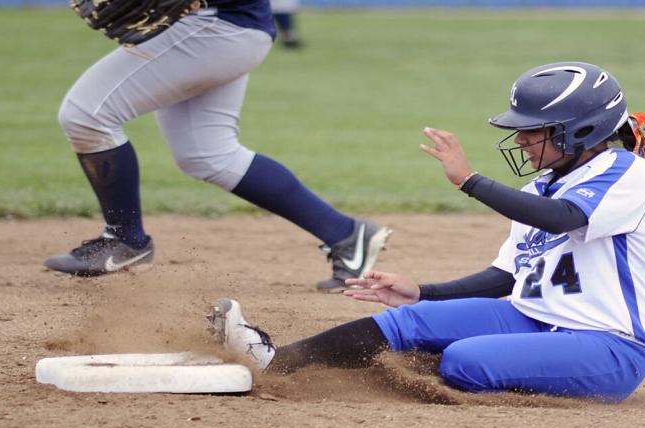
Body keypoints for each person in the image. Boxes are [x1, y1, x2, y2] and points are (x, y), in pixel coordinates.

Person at [210, 61, 645, 404]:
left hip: (610, 347)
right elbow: (507, 276)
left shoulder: (626, 173)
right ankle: (275, 362)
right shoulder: (540, 187)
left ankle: (399, 379)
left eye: (535, 131)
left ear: (579, 131)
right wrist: (422, 293)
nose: (522, 140)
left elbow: (563, 217)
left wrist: (470, 181)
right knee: (408, 321)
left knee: (465, 360)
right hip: (536, 317)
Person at [50, 1, 390, 291]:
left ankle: (125, 238)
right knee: (208, 154)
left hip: (215, 27)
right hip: (223, 27)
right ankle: (345, 234)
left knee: (86, 115)